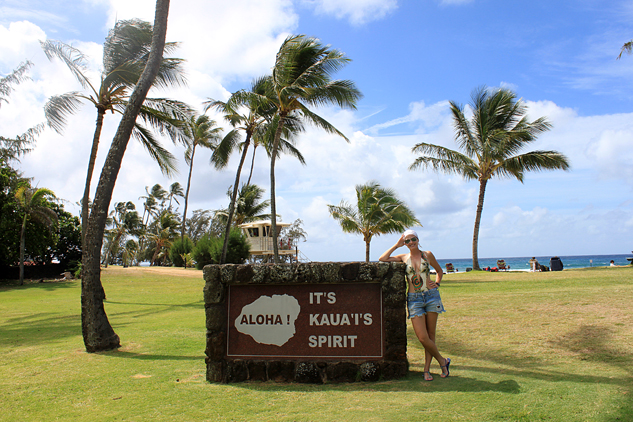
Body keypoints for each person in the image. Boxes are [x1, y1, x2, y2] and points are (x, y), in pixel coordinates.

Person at [379, 229, 450, 381]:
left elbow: (439, 270)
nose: (411, 243)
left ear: (418, 240)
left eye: (413, 239)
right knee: (423, 337)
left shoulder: (427, 255)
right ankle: (443, 361)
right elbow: (382, 259)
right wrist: (396, 245)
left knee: (431, 335)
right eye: (407, 241)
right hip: (414, 299)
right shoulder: (403, 257)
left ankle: (426, 370)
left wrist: (437, 283)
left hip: (431, 297)